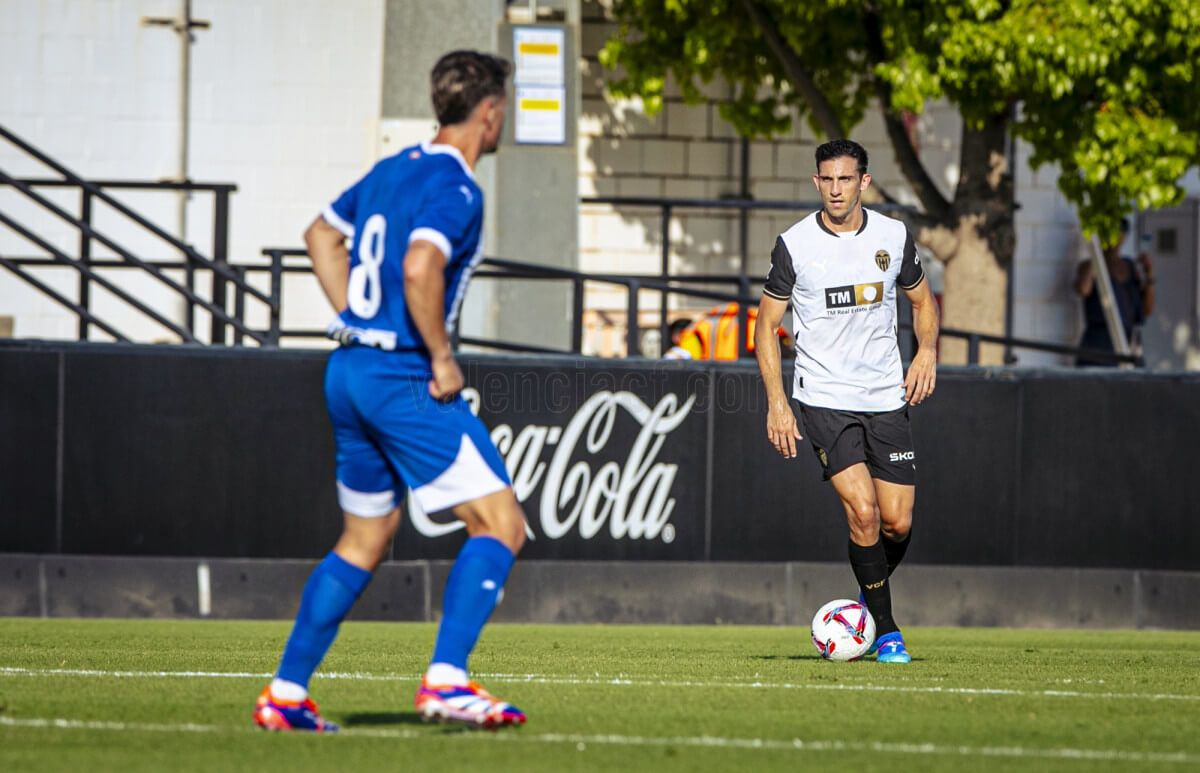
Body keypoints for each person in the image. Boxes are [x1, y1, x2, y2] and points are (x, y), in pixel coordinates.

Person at [252, 50, 528, 732]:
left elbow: (319, 233)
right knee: (502, 523)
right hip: (402, 375)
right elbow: (419, 266)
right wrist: (441, 356)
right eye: (504, 110)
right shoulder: (459, 187)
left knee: (365, 536)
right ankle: (447, 681)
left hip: (348, 370)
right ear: (489, 111)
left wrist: (357, 318)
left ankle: (286, 692)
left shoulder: (389, 169)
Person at [754, 139, 939, 664]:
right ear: (817, 183)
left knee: (896, 522)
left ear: (863, 181)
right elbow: (766, 327)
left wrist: (926, 352)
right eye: (826, 180)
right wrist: (777, 402)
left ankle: (867, 593)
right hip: (825, 399)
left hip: (885, 395)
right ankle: (886, 632)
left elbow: (922, 301)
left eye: (845, 179)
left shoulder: (892, 236)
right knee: (862, 512)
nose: (835, 189)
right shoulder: (794, 244)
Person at [1073, 218, 1155, 366]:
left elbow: (1146, 310)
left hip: (1127, 341)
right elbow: (1083, 289)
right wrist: (1097, 253)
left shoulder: (1131, 267)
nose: (1116, 240)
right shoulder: (1090, 265)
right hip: (1099, 342)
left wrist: (1149, 276)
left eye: (1121, 234)